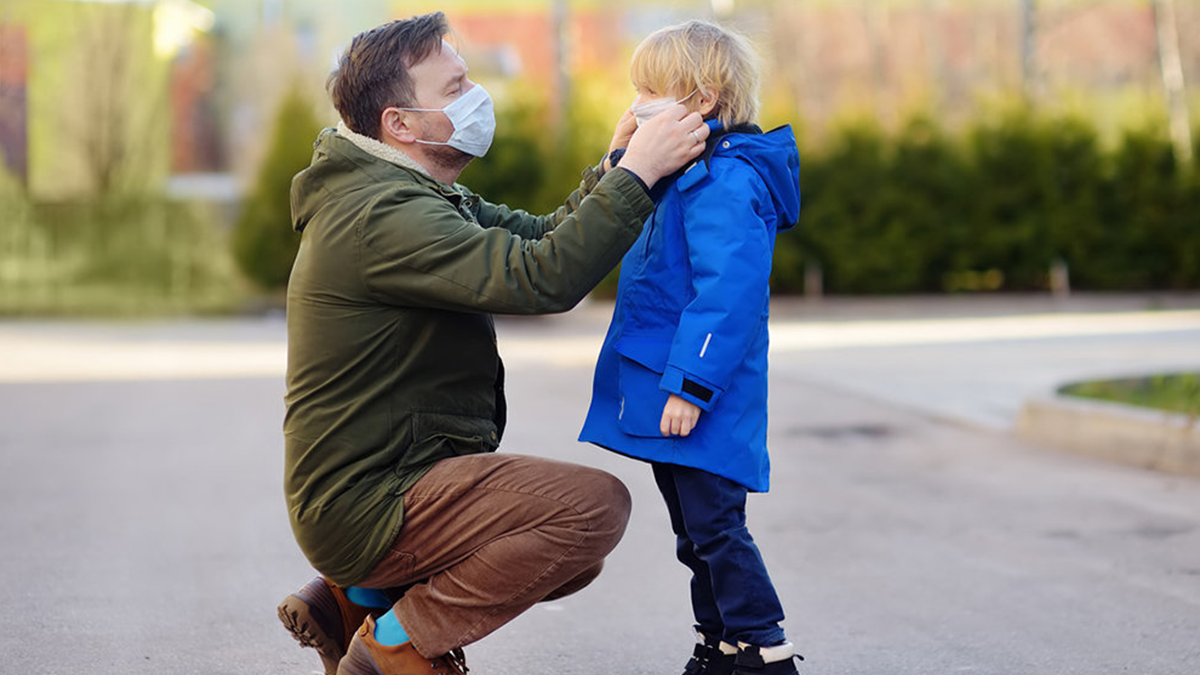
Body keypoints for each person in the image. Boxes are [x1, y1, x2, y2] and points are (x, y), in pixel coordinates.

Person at [275, 12, 711, 675]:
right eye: (454, 88)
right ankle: (396, 642)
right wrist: (639, 179)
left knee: (572, 553)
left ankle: (354, 602)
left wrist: (615, 165)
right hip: (370, 502)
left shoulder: (408, 192)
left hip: (380, 487)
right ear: (401, 123)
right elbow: (541, 278)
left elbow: (535, 239)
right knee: (593, 509)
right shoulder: (381, 216)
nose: (476, 97)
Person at [578, 19, 802, 675]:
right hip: (671, 387)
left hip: (700, 394)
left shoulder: (724, 183)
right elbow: (610, 221)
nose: (636, 103)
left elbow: (726, 295)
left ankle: (763, 644)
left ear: (701, 101)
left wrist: (691, 384)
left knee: (717, 528)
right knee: (694, 534)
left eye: (650, 90)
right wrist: (617, 159)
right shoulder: (681, 172)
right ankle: (721, 641)